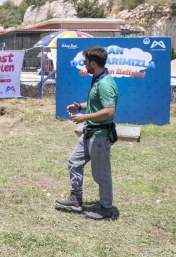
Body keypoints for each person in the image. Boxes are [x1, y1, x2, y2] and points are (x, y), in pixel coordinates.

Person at [55, 46, 118, 221]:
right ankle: (76, 199)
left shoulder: (105, 84)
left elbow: (109, 111)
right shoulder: (98, 79)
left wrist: (85, 117)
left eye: (86, 62)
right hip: (89, 132)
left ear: (93, 63)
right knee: (74, 162)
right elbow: (95, 103)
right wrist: (80, 106)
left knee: (101, 173)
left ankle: (106, 208)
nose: (84, 65)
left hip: (99, 135)